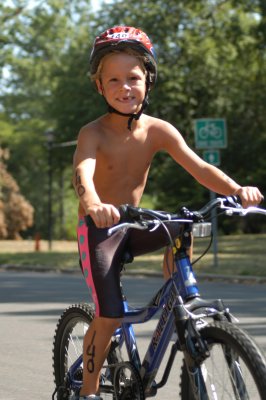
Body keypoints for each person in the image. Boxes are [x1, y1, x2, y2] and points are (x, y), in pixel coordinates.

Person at [72, 26, 263, 400]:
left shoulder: (158, 130)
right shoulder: (91, 132)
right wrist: (94, 204)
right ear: (99, 87)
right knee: (109, 316)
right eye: (114, 79)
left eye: (133, 78)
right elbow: (83, 172)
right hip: (99, 229)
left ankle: (180, 291)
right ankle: (88, 393)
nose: (125, 87)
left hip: (135, 223)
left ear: (149, 81)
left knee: (183, 222)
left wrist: (237, 190)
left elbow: (200, 168)